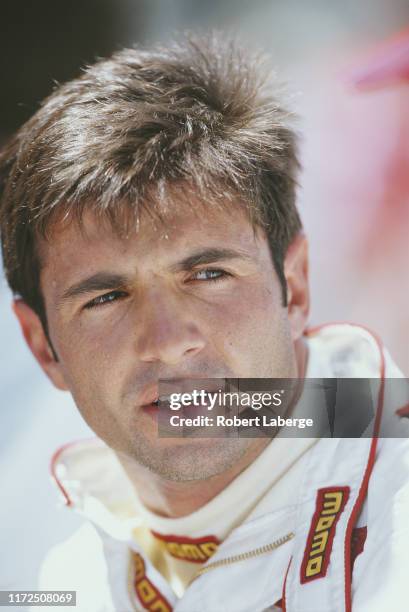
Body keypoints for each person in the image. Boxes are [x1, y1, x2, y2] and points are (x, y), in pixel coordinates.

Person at [0, 35, 408, 612]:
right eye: (108, 297)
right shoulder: (57, 582)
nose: (168, 343)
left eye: (209, 274)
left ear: (295, 287)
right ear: (42, 347)